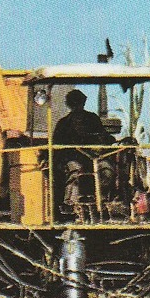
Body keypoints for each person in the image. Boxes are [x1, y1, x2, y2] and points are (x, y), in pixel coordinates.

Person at [52, 89, 114, 218]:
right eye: (74, 103)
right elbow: (56, 144)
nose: (77, 106)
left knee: (106, 169)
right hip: (71, 158)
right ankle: (70, 204)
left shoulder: (93, 119)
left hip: (93, 157)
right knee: (74, 169)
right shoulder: (63, 124)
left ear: (83, 103)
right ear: (69, 105)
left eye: (79, 102)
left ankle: (102, 201)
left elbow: (103, 136)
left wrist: (105, 139)